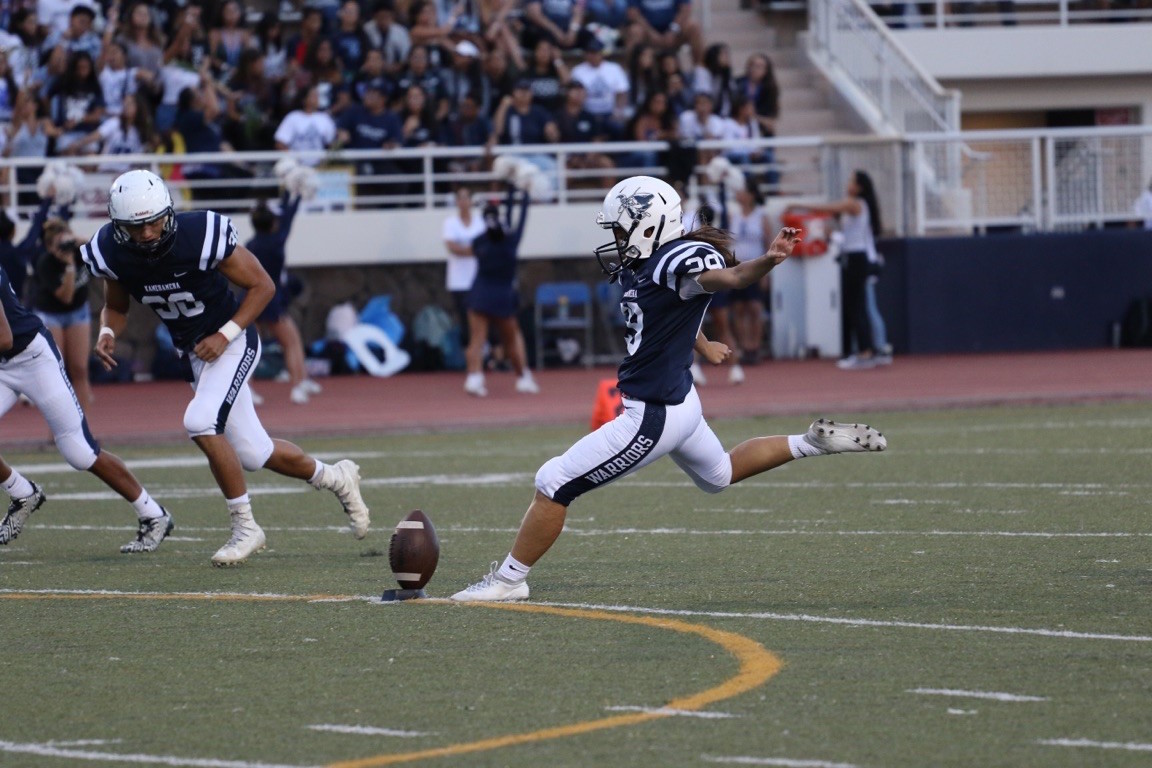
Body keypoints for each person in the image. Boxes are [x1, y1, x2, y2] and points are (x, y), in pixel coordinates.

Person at [451, 176, 887, 601]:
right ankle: (811, 442)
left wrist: (768, 261)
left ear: (649, 223)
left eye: (622, 228)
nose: (617, 238)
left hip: (653, 413)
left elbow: (727, 280)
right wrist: (701, 342)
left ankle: (508, 581)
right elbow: (675, 307)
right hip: (681, 404)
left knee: (554, 481)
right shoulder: (648, 263)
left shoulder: (680, 256)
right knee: (721, 474)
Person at [83, 169, 370, 566]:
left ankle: (246, 527)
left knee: (200, 421)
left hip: (231, 342)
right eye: (136, 226)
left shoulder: (199, 232)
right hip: (194, 354)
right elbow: (115, 306)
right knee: (255, 452)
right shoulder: (111, 251)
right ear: (118, 226)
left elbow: (263, 285)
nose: (147, 232)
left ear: (167, 211)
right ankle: (337, 477)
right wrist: (105, 332)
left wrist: (226, 333)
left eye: (153, 221)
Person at [0, 263, 175, 554]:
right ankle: (22, 492)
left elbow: (4, 338)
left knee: (79, 451)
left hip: (31, 358)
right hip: (3, 364)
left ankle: (154, 514)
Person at [786, 170, 890, 369]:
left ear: (859, 186)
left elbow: (827, 207)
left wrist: (799, 205)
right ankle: (865, 350)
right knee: (855, 305)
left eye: (851, 181)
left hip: (857, 257)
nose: (847, 183)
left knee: (858, 305)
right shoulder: (856, 205)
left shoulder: (854, 203)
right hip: (852, 255)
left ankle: (866, 351)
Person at [462, 184, 539, 398]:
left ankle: (474, 378)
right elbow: (520, 216)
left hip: (479, 293)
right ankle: (523, 377)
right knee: (512, 339)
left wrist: (511, 194)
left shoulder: (479, 241)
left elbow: (491, 232)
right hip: (502, 297)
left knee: (477, 339)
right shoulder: (510, 242)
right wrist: (519, 192)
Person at [248, 192, 322, 405]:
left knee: (251, 347)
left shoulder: (252, 243)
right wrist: (296, 194)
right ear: (273, 224)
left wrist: (287, 192)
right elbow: (288, 216)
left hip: (251, 298)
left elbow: (280, 213)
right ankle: (298, 386)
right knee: (291, 343)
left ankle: (248, 389)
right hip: (271, 299)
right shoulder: (277, 241)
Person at [29, 217, 95, 411]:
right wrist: (69, 266)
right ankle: (55, 432)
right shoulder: (45, 263)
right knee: (57, 371)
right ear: (49, 247)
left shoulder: (80, 252)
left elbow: (103, 249)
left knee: (80, 370)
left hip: (78, 312)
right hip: (51, 314)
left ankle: (84, 431)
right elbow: (66, 297)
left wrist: (79, 240)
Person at [442, 186, 486, 346]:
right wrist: (472, 251)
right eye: (460, 198)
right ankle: (469, 358)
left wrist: (464, 249)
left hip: (478, 279)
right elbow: (451, 247)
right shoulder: (450, 223)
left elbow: (484, 247)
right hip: (458, 281)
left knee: (482, 319)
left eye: (466, 197)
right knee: (464, 320)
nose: (463, 201)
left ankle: (487, 356)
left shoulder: (480, 222)